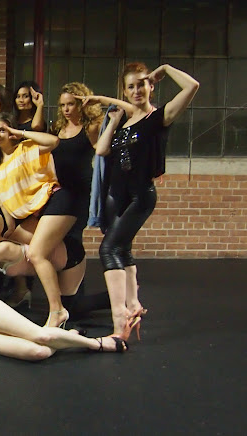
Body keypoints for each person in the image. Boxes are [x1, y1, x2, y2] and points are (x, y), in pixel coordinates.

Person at [91, 63, 198, 339]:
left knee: (108, 250)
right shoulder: (125, 121)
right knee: (123, 249)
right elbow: (101, 150)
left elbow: (192, 86)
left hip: (140, 195)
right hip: (116, 194)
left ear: (151, 86)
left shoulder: (159, 118)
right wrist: (113, 119)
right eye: (131, 86)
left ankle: (119, 322)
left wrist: (165, 69)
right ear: (125, 92)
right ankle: (134, 304)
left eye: (141, 84)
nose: (137, 90)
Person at [0, 112, 76, 328]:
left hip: (54, 201)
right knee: (8, 243)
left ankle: (57, 311)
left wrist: (20, 133)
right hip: (34, 215)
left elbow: (53, 141)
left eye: (2, 130)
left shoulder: (25, 148)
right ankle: (22, 289)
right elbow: (4, 200)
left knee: (36, 253)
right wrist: (9, 228)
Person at [49, 82, 111, 318]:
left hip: (80, 193)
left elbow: (117, 116)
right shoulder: (57, 128)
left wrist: (98, 101)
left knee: (73, 240)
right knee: (62, 241)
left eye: (71, 104)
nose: (66, 109)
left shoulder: (91, 126)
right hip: (59, 193)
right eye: (63, 105)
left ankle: (76, 294)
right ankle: (72, 294)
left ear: (81, 103)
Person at [0, 208, 86, 311]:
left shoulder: (2, 249)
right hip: (57, 260)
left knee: (72, 309)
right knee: (69, 310)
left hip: (71, 256)